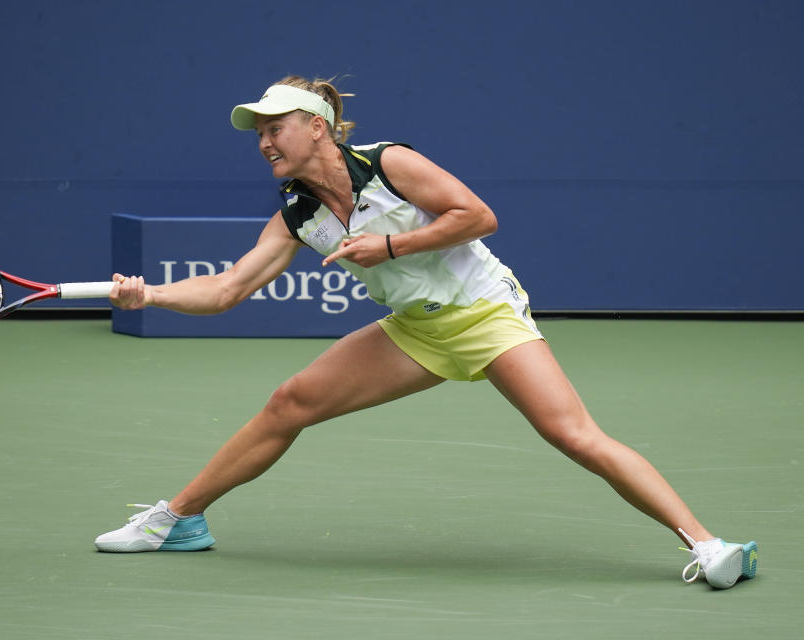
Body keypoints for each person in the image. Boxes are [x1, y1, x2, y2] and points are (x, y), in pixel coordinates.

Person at [95, 75, 758, 589]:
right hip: (416, 330)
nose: (265, 142)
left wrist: (390, 248)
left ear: (318, 128)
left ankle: (707, 543)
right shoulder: (297, 213)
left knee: (571, 433)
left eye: (276, 128)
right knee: (289, 403)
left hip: (484, 313)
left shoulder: (389, 164)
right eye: (258, 133)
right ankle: (177, 521)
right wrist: (148, 293)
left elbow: (479, 216)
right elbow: (227, 289)